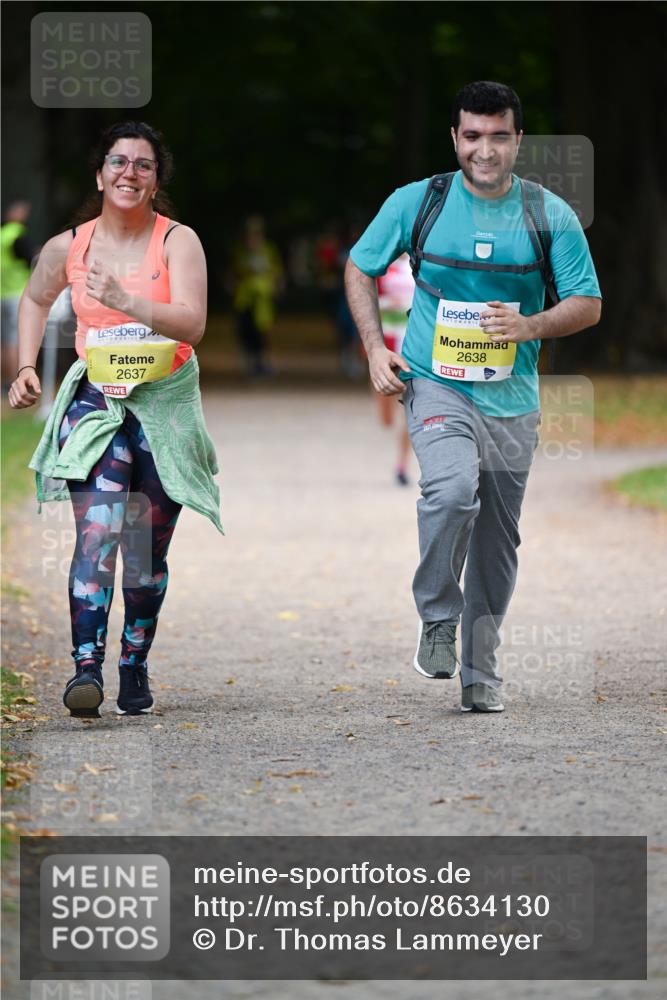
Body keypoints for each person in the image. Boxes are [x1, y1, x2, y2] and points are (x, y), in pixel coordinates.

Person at [345, 81, 601, 713]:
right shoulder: (420, 202)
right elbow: (360, 267)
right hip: (435, 381)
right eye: (472, 136)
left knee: (497, 539)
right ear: (454, 138)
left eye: (498, 136)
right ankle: (437, 614)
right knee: (452, 490)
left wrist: (531, 326)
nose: (484, 150)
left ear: (517, 140)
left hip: (513, 399)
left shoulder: (549, 214)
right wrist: (377, 347)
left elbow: (588, 304)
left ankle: (479, 672)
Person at [8, 121, 222, 718]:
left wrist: (125, 300)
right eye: (118, 162)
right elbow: (34, 298)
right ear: (100, 174)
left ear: (156, 181)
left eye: (143, 165)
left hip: (163, 405)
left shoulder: (178, 241)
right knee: (97, 535)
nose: (129, 173)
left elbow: (193, 324)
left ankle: (132, 663)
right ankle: (85, 670)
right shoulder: (68, 245)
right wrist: (26, 365)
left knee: (146, 551)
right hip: (98, 402)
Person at [375, 253, 414, 485]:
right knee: (387, 417)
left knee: (410, 406)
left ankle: (402, 464)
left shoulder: (424, 260)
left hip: (414, 344)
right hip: (388, 340)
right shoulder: (382, 264)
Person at [228, 215, 283, 376]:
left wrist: (276, 285)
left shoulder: (269, 250)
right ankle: (250, 361)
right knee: (245, 330)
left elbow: (277, 271)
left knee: (262, 331)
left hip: (263, 299)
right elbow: (234, 272)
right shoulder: (240, 251)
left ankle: (262, 361)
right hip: (244, 299)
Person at [1, 200, 33, 388]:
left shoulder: (2, 235)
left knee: (3, 341)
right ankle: (15, 382)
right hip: (16, 294)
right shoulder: (17, 235)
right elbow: (33, 259)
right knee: (15, 340)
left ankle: (4, 382)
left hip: (1, 293)